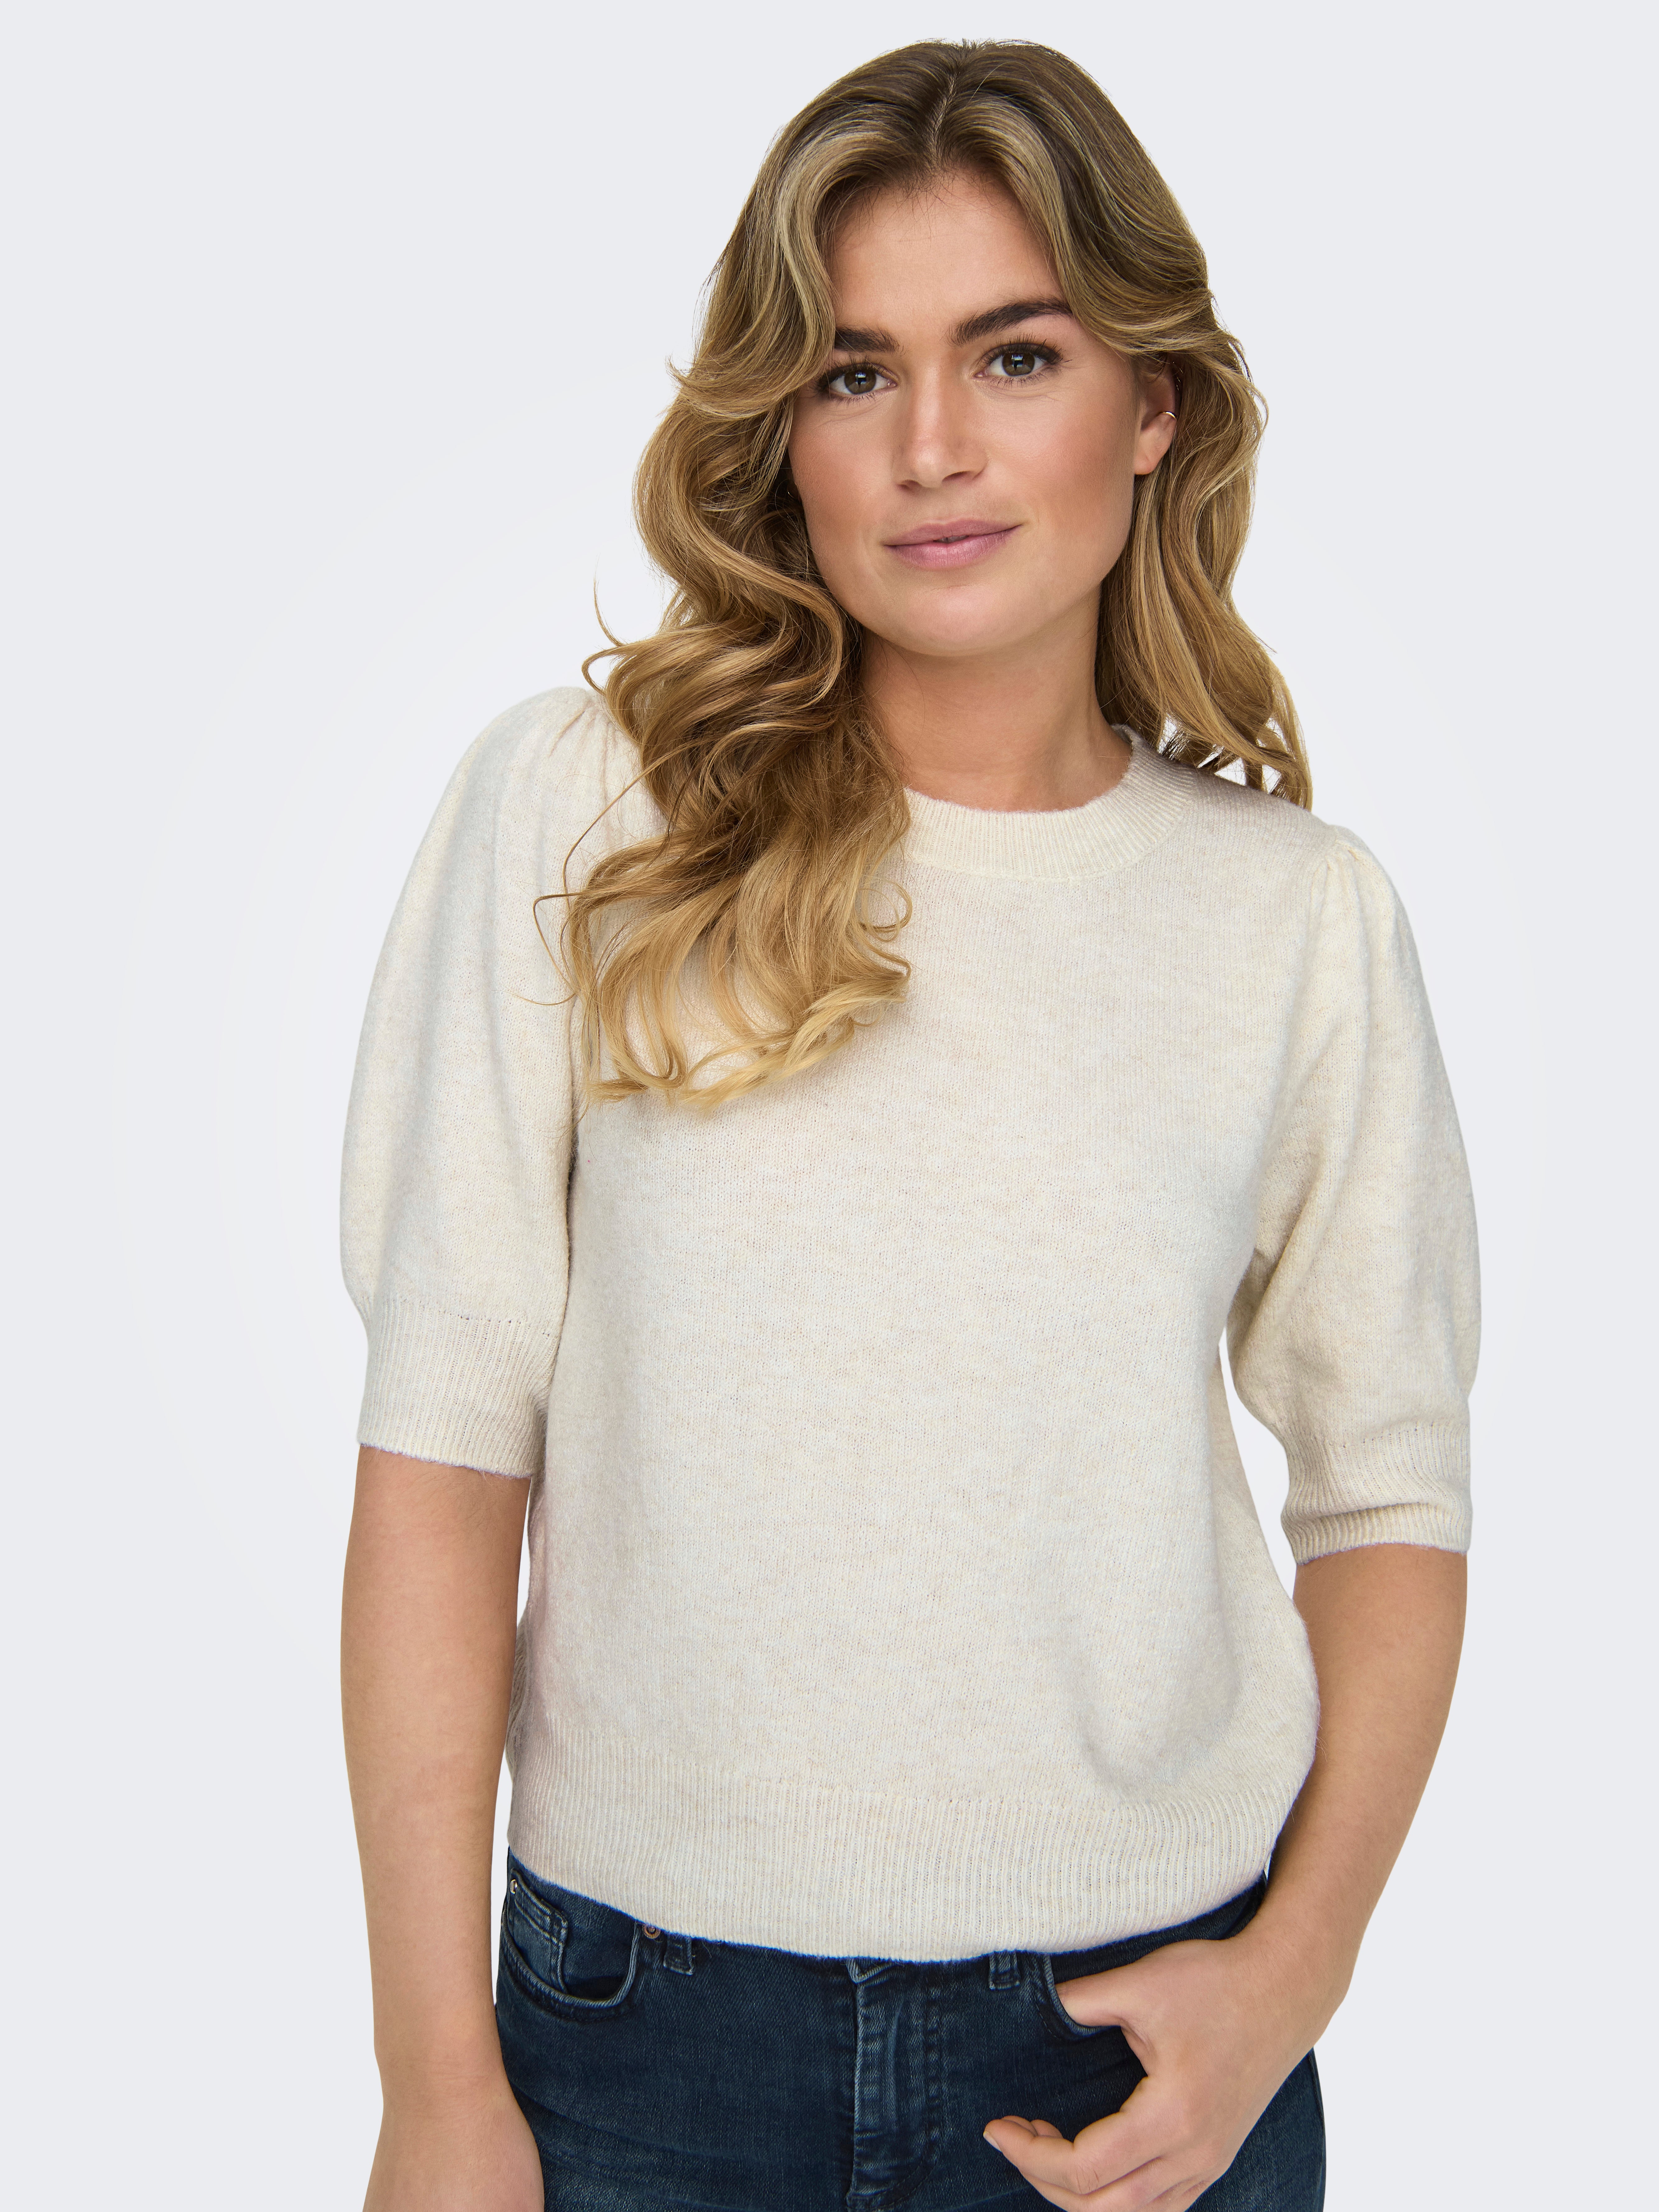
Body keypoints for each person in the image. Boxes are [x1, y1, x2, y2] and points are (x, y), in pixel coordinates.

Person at [339, 38, 1476, 2212]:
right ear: (780, 428)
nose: (932, 448)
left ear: (1150, 405)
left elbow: (1389, 1493)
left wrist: (1291, 1978)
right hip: (635, 2054)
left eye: (1014, 354)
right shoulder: (587, 816)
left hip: (1144, 2057)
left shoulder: (1291, 919)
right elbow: (442, 1458)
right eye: (853, 372)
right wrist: (430, 2085)